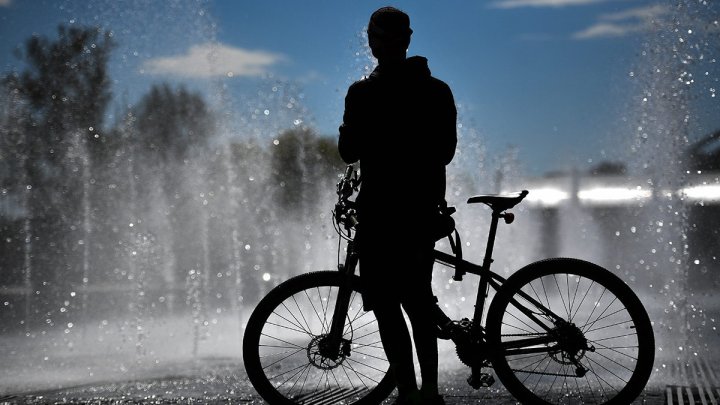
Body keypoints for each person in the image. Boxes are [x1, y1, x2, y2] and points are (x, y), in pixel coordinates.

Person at [338, 6, 457, 405]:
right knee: (419, 302)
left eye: (380, 38)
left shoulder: (362, 93)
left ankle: (408, 392)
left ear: (371, 42)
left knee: (388, 306)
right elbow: (445, 152)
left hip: (380, 213)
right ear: (408, 40)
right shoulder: (437, 90)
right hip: (421, 210)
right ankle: (431, 393)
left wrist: (365, 128)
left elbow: (347, 150)